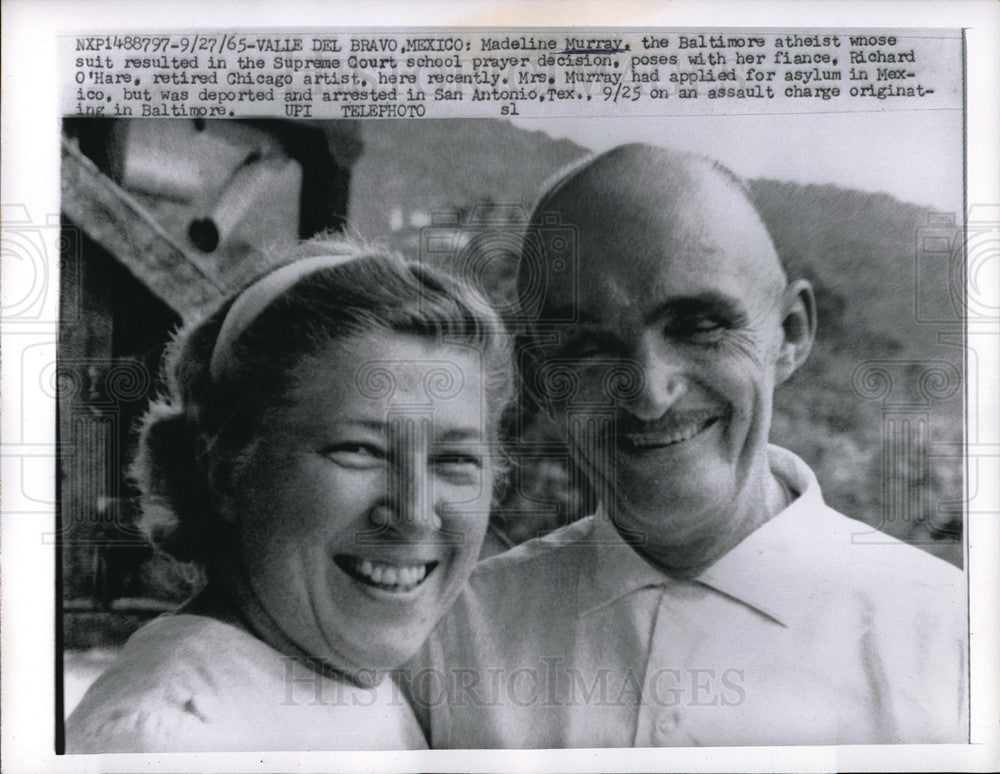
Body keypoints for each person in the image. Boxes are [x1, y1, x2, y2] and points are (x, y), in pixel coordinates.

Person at [403, 144, 967, 747]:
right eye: (589, 346)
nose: (648, 392)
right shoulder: (448, 644)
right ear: (543, 379)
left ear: (790, 335)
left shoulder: (954, 647)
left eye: (698, 327)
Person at [66, 236, 513, 752]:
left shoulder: (351, 680)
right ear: (225, 470)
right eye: (360, 449)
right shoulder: (167, 740)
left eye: (455, 460)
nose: (415, 514)